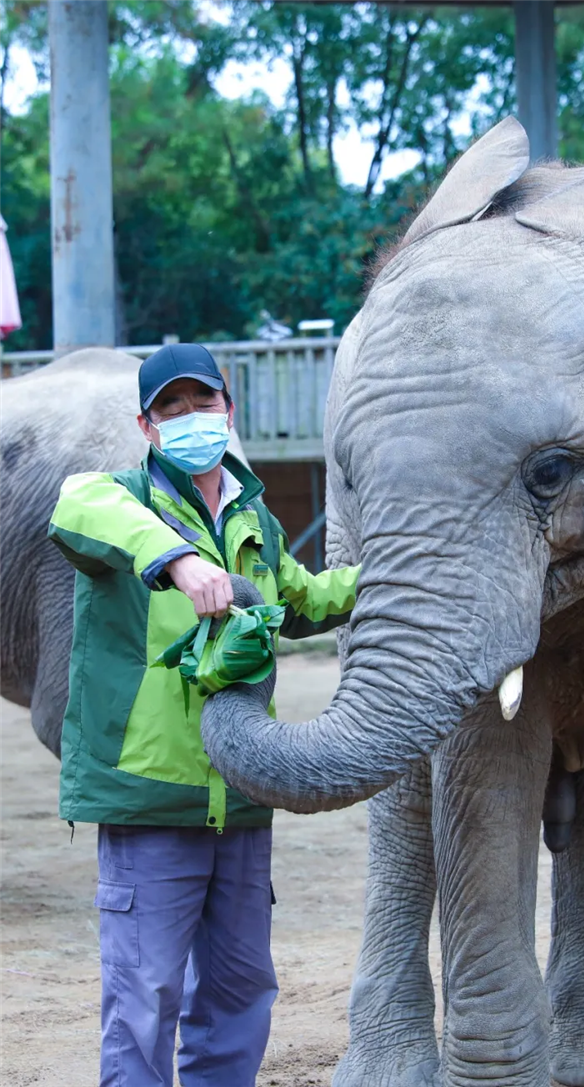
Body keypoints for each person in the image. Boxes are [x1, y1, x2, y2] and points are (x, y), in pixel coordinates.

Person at [48, 342, 359, 1087]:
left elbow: (304, 600)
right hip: (152, 798)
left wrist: (390, 577)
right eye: (171, 408)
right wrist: (179, 560)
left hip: (244, 796)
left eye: (203, 402)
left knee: (239, 987)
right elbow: (75, 502)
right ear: (147, 425)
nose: (191, 418)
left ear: (229, 406)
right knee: (145, 993)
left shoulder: (255, 521)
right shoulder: (120, 502)